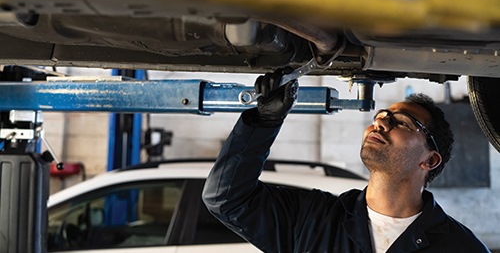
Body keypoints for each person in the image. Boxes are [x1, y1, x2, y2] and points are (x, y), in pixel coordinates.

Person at [202, 69, 490, 253]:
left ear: (430, 159)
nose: (380, 124)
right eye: (379, 117)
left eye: (401, 122)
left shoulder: (461, 247)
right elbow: (227, 199)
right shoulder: (312, 219)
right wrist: (264, 121)